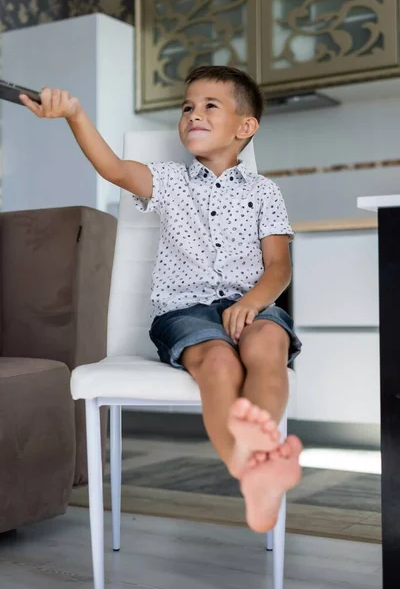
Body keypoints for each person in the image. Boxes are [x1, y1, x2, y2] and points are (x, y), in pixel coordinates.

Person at [21, 65, 303, 533]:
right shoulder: (168, 181)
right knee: (220, 366)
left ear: (245, 126)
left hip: (251, 305)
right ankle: (249, 467)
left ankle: (260, 457)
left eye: (210, 105)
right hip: (185, 312)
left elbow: (279, 267)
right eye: (187, 106)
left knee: (268, 348)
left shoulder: (264, 192)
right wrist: (74, 114)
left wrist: (253, 303)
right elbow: (111, 167)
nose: (194, 113)